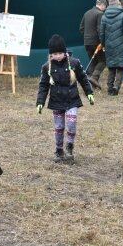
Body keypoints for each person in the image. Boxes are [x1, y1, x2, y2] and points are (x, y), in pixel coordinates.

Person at [36, 34, 94, 163]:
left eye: (60, 53)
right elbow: (43, 86)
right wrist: (40, 102)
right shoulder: (47, 67)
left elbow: (83, 79)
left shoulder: (74, 63)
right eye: (54, 53)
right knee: (59, 126)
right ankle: (59, 150)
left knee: (72, 123)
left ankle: (70, 147)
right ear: (51, 54)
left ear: (65, 51)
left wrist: (89, 93)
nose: (57, 56)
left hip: (71, 99)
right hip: (56, 101)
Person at [99, 0, 123, 96]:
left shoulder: (104, 16)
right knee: (121, 67)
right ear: (118, 4)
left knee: (111, 67)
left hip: (109, 46)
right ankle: (116, 87)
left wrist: (103, 44)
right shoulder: (122, 15)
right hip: (122, 45)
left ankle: (109, 88)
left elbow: (102, 33)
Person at [79, 0, 107, 87]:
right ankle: (94, 78)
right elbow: (100, 30)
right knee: (103, 60)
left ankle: (91, 85)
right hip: (96, 43)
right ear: (102, 5)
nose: (105, 8)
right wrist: (103, 43)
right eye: (105, 6)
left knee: (93, 62)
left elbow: (81, 28)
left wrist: (88, 36)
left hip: (87, 42)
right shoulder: (100, 14)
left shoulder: (87, 13)